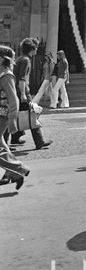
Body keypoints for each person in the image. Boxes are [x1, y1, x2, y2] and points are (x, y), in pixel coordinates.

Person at [11, 37, 52, 150]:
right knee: (32, 114)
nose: (37, 49)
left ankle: (15, 137)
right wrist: (24, 94)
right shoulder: (26, 60)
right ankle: (40, 142)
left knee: (16, 114)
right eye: (36, 47)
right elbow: (22, 78)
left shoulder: (20, 58)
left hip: (15, 91)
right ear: (32, 49)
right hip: (21, 91)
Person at [0, 46, 30, 190]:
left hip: (2, 115)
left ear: (2, 59)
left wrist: (12, 120)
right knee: (1, 146)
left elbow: (14, 99)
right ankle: (15, 172)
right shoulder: (2, 74)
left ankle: (18, 168)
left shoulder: (7, 76)